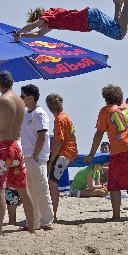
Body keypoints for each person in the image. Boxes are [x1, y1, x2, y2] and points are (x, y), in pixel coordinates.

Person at [0, 70, 35, 234]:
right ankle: (32, 227)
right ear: (12, 83)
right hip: (16, 146)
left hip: (1, 148)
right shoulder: (20, 102)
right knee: (23, 189)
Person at [84, 84, 128, 222]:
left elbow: (99, 134)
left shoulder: (106, 111)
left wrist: (91, 154)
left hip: (119, 151)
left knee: (115, 185)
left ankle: (116, 215)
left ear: (106, 98)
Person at [13, 0, 128, 41]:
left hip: (89, 20)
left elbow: (34, 26)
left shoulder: (48, 15)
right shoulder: (52, 22)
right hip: (91, 18)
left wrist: (19, 31)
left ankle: (127, 3)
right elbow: (38, 34)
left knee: (119, 35)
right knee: (117, 28)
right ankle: (118, 4)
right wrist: (22, 36)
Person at [20, 84, 54, 231]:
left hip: (37, 157)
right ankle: (34, 222)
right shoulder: (26, 113)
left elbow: (42, 136)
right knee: (31, 190)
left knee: (41, 189)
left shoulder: (40, 114)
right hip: (26, 156)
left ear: (31, 97)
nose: (21, 99)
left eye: (23, 96)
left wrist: (35, 156)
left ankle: (47, 221)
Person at [45, 93, 78, 221]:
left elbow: (59, 142)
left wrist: (51, 160)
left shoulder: (59, 119)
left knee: (52, 183)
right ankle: (52, 213)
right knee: (51, 182)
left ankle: (53, 214)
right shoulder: (65, 117)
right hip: (69, 151)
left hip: (65, 153)